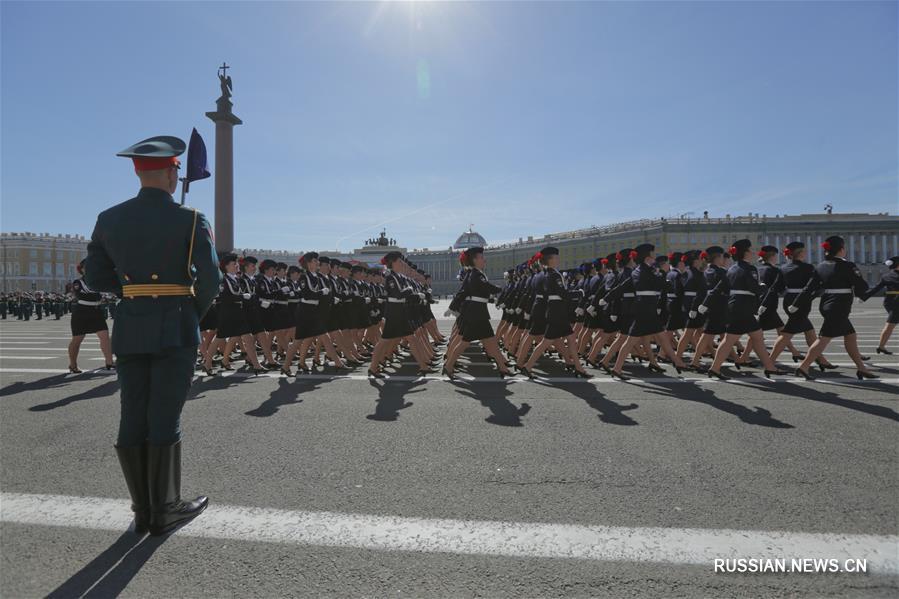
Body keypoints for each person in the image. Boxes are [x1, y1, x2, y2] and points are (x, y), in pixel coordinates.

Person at [84, 135, 220, 536]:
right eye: (177, 170)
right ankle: (165, 509)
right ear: (172, 172)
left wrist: (131, 294)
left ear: (138, 172)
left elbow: (94, 276)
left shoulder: (109, 218)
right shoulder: (191, 219)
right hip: (176, 322)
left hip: (130, 324)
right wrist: (190, 312)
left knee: (132, 411)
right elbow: (210, 279)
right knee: (165, 414)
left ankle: (142, 508)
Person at [793, 236, 876, 380]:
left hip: (827, 304)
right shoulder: (848, 265)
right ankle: (803, 367)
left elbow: (809, 288)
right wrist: (862, 293)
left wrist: (796, 303)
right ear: (842, 250)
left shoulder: (820, 266)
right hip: (839, 306)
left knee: (850, 336)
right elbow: (862, 285)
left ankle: (862, 368)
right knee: (824, 338)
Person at [701, 239, 785, 380]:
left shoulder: (732, 269)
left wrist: (705, 303)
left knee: (754, 337)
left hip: (734, 306)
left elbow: (719, 288)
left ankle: (770, 367)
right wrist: (763, 286)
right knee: (734, 339)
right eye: (750, 250)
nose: (752, 252)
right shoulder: (749, 268)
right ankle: (715, 368)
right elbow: (754, 288)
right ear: (744, 253)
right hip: (743, 307)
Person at [517, 247, 590, 378]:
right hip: (556, 312)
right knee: (546, 341)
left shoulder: (545, 274)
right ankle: (528, 367)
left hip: (554, 310)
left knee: (570, 339)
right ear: (550, 260)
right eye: (556, 257)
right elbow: (562, 294)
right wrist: (579, 293)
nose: (558, 259)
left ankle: (577, 366)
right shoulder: (554, 274)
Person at [442, 246, 512, 379]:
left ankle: (503, 368)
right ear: (474, 260)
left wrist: (452, 307)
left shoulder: (473, 274)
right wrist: (501, 289)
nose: (484, 260)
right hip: (475, 313)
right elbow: (485, 287)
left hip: (477, 312)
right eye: (481, 258)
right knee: (465, 342)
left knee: (490, 342)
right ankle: (448, 366)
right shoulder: (476, 274)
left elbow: (464, 293)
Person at [767, 242, 836, 370]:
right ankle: (769, 362)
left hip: (789, 300)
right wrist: (811, 296)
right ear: (801, 253)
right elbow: (816, 285)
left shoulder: (783, 268)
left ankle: (820, 359)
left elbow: (777, 288)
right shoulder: (808, 267)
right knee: (787, 333)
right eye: (804, 251)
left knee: (809, 331)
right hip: (802, 302)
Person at [68, 259, 114, 373]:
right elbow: (88, 290)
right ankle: (73, 364)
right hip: (81, 312)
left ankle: (109, 362)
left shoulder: (98, 281)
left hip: (96, 311)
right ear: (82, 269)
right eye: (86, 267)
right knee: (77, 339)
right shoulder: (78, 282)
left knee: (104, 336)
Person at [866, 256, 899, 354]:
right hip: (896, 303)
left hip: (890, 302)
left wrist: (864, 297)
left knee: (890, 325)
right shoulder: (893, 276)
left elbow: (875, 289)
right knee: (890, 325)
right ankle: (881, 346)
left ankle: (881, 346)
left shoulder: (886, 276)